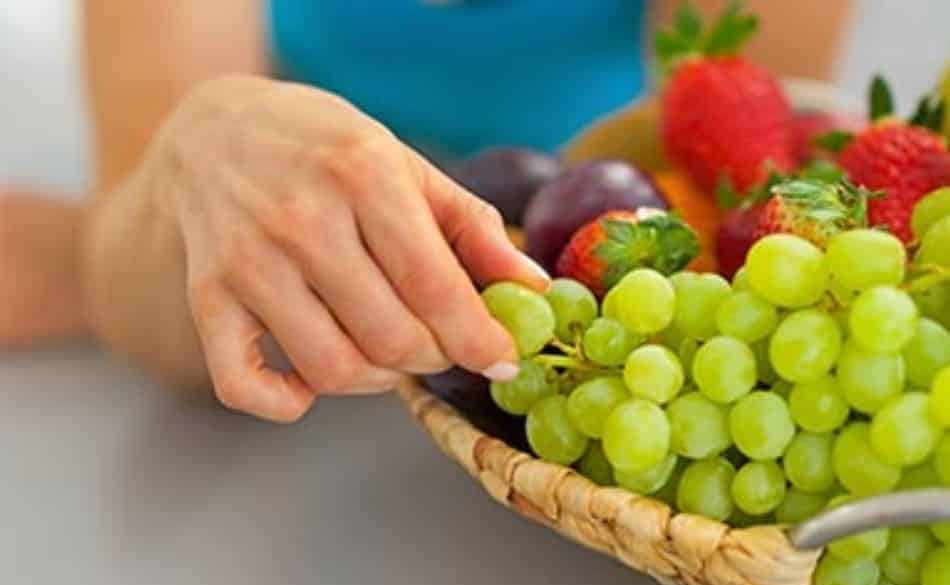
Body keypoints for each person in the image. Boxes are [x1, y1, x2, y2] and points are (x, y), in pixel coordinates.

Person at [0, 0, 853, 422]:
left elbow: (743, 218)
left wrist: (98, 248)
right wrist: (192, 154)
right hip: (282, 194)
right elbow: (139, 299)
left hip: (603, 226)